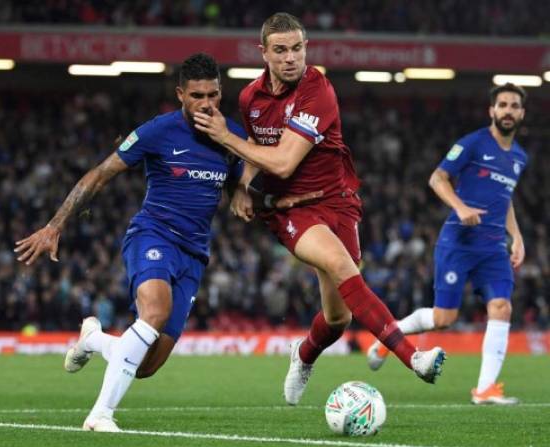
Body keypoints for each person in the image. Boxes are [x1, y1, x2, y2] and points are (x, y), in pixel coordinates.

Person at [14, 53, 321, 432]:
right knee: (154, 312)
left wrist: (243, 190)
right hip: (153, 235)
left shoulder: (233, 137)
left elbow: (243, 187)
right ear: (180, 95)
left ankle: (93, 339)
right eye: (196, 95)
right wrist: (54, 225)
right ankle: (100, 415)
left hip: (194, 255)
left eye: (212, 94)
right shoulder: (157, 131)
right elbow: (100, 174)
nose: (206, 103)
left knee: (145, 366)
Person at [192, 12, 446, 406]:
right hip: (291, 210)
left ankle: (304, 353)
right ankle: (413, 357)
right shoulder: (249, 98)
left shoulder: (318, 91)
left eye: (297, 48)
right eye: (281, 50)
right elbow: (259, 151)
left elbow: (281, 162)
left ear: (306, 48)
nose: (291, 57)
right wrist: (242, 183)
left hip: (338, 203)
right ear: (264, 53)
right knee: (344, 268)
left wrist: (226, 136)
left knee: (338, 319)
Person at [366, 83, 528, 405]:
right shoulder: (472, 143)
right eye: (503, 105)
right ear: (491, 111)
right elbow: (437, 178)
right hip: (459, 240)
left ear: (522, 113)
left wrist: (518, 237)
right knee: (445, 319)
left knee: (501, 306)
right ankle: (389, 336)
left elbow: (505, 199)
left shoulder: (519, 157)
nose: (508, 110)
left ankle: (485, 390)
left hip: (494, 247)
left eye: (514, 106)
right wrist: (460, 207)